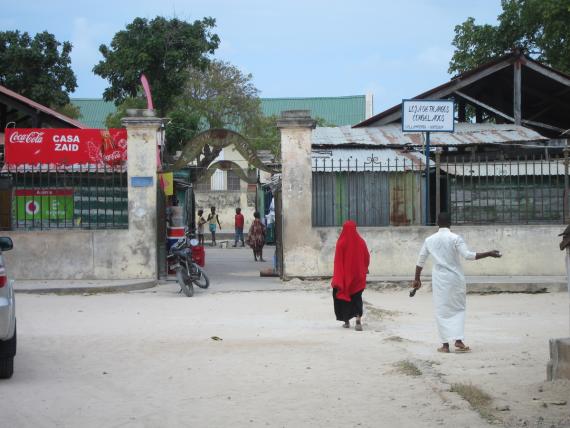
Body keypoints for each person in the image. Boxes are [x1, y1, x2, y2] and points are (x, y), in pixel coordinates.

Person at [413, 212, 502, 353]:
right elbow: (468, 255)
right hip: (455, 279)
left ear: (437, 223)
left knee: (441, 310)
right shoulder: (455, 238)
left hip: (440, 280)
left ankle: (445, 345)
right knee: (458, 309)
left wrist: (417, 278)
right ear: (450, 223)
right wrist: (489, 253)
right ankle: (459, 341)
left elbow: (420, 260)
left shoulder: (429, 240)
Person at [331, 220, 370, 331]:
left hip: (344, 278)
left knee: (342, 298)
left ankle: (346, 321)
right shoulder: (361, 242)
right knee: (357, 298)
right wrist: (365, 268)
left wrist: (338, 278)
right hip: (358, 277)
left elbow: (338, 261)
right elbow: (366, 257)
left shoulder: (341, 243)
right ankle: (358, 320)